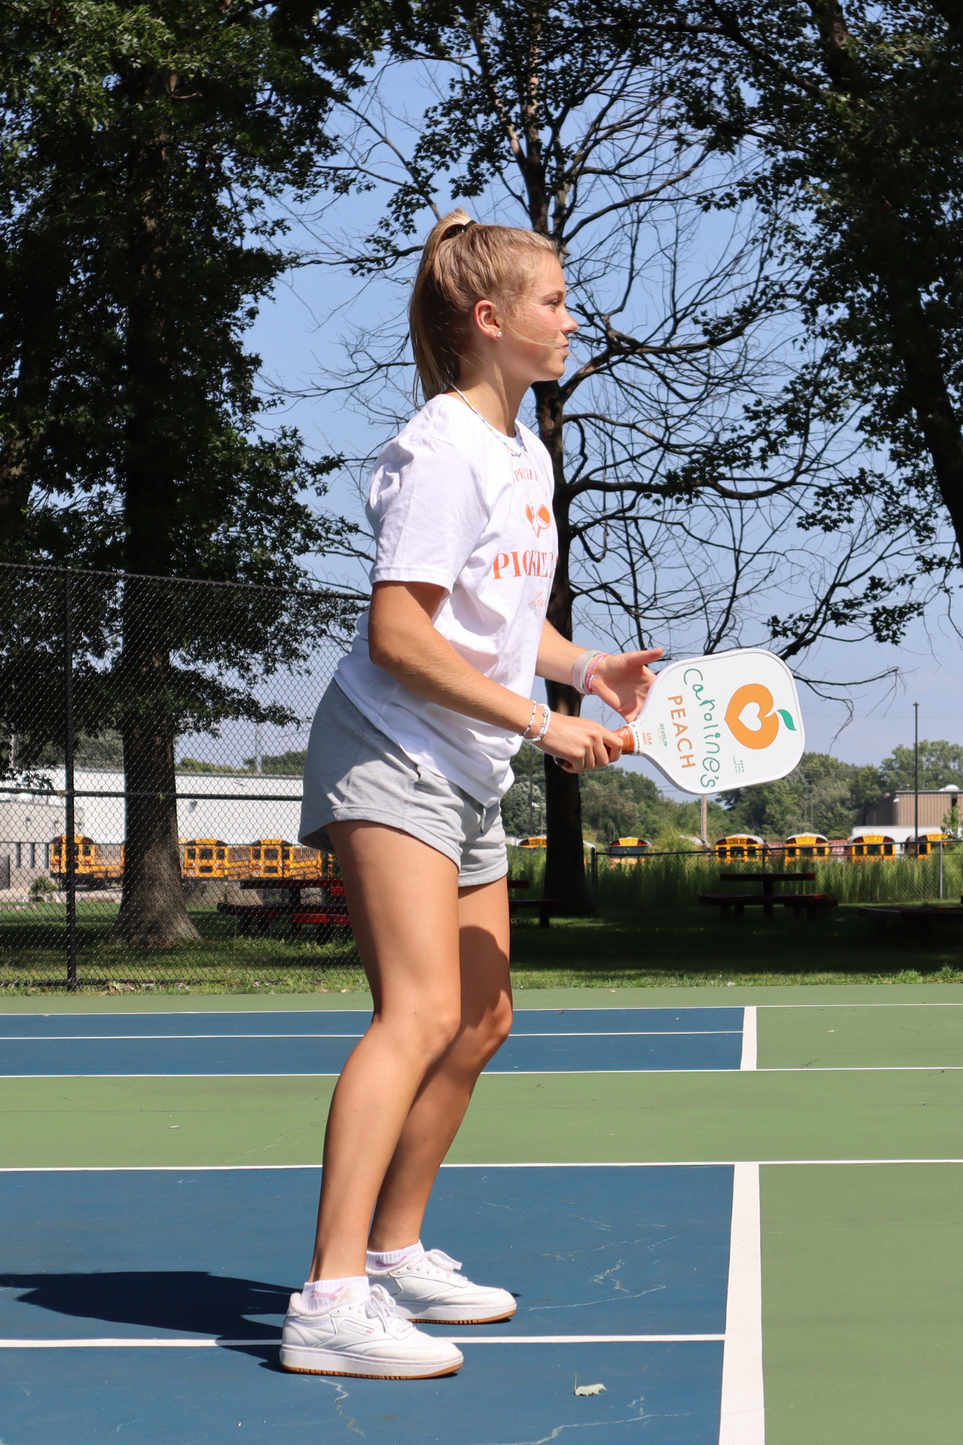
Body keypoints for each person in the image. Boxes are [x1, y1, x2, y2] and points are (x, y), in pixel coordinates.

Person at [279, 210, 661, 1380]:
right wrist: (544, 723)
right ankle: (328, 1298)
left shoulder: (523, 452)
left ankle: (393, 1252)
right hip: (390, 750)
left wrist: (580, 666)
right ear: (490, 321)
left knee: (483, 1015)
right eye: (554, 300)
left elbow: (490, 617)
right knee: (416, 1014)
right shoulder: (440, 447)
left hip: (462, 764)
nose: (571, 316)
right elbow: (399, 630)